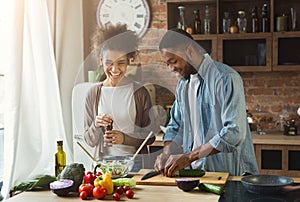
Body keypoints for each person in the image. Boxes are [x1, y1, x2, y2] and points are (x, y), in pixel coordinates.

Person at [154, 28, 259, 176]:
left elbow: (234, 132)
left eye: (174, 61)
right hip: (195, 174)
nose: (171, 69)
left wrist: (189, 157)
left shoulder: (226, 78)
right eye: (167, 64)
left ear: (189, 50)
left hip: (228, 174)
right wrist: (167, 152)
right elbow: (176, 126)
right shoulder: (183, 85)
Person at [84, 24, 155, 170]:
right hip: (103, 164)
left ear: (129, 60)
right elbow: (89, 140)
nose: (115, 69)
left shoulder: (140, 92)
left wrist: (125, 139)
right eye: (109, 63)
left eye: (121, 63)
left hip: (134, 164)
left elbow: (150, 136)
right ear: (101, 61)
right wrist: (96, 125)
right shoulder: (93, 94)